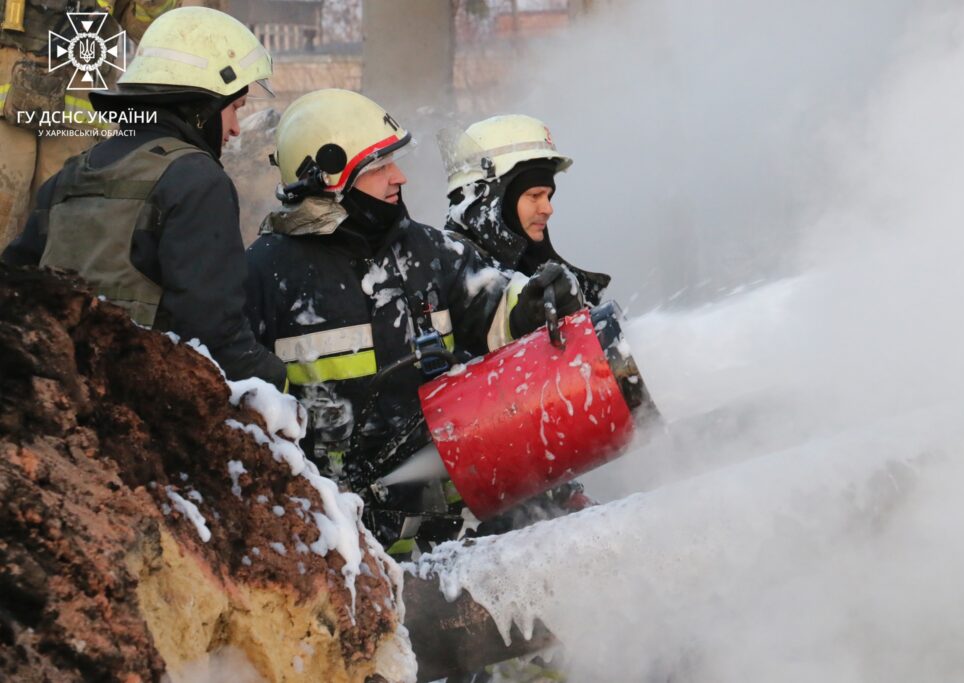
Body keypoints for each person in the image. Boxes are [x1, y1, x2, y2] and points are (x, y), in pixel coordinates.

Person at [244, 88, 583, 553]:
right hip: (335, 543)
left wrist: (533, 301)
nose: (398, 176)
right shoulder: (266, 275)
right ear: (327, 176)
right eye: (380, 166)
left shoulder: (429, 253)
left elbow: (494, 307)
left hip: (443, 536)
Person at [1, 6, 286, 388]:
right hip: (147, 407)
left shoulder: (73, 172)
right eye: (234, 108)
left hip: (67, 399)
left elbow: (16, 287)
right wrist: (283, 388)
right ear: (202, 106)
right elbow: (215, 334)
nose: (235, 129)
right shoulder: (196, 180)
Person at [0, 0, 179, 249]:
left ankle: (51, 285)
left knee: (64, 214)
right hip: (7, 99)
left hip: (77, 109)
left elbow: (149, 25)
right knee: (5, 203)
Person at [440, 114, 610, 307]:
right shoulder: (449, 279)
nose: (548, 209)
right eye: (535, 195)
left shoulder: (540, 272)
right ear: (492, 201)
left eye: (548, 196)